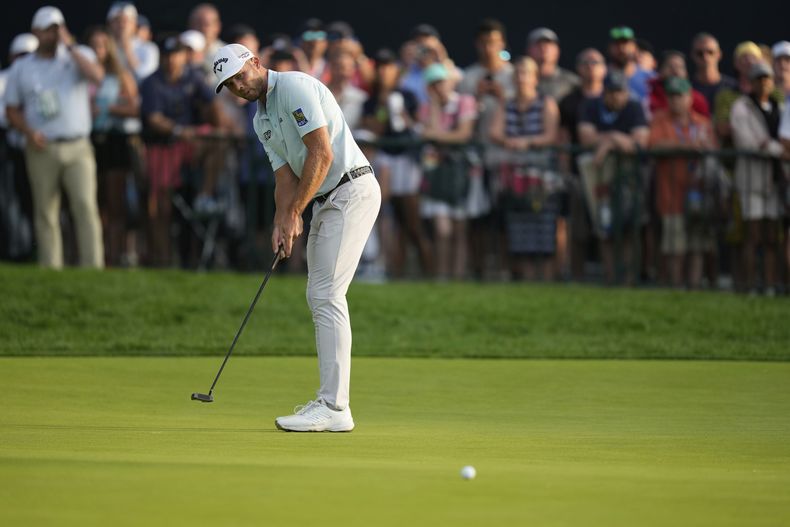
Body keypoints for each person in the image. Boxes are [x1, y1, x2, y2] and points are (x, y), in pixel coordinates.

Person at [212, 43, 381, 431]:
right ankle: (330, 401)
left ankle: (335, 408)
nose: (239, 85)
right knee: (318, 294)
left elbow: (320, 154)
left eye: (240, 75)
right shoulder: (260, 120)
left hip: (351, 189)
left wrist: (294, 212)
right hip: (325, 199)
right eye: (230, 84)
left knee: (326, 294)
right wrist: (280, 220)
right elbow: (284, 177)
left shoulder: (294, 87)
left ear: (256, 62)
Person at [5, 6, 105, 269]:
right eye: (49, 30)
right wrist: (28, 132)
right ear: (36, 32)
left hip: (78, 145)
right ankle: (51, 268)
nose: (54, 35)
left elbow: (97, 76)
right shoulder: (22, 68)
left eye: (57, 29)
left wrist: (70, 46)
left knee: (85, 207)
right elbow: (11, 109)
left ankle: (93, 267)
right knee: (46, 212)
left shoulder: (76, 55)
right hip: (41, 146)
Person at [139, 35, 218, 266]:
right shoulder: (151, 82)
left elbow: (212, 103)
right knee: (161, 207)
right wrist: (180, 130)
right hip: (160, 148)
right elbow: (154, 119)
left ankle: (204, 195)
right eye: (167, 55)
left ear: (184, 56)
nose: (172, 59)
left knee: (216, 142)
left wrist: (217, 126)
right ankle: (163, 259)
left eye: (176, 54)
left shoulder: (194, 77)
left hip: (187, 146)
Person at [361, 48, 432, 277]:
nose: (384, 72)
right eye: (380, 67)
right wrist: (384, 106)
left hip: (406, 159)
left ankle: (431, 272)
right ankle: (391, 270)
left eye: (388, 66)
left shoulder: (408, 96)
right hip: (384, 160)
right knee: (385, 215)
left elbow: (416, 127)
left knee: (411, 221)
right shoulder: (371, 101)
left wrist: (399, 110)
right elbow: (373, 130)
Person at [489, 56, 560, 280]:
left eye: (526, 73)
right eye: (518, 73)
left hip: (542, 178)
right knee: (518, 228)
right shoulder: (506, 104)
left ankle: (547, 280)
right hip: (514, 177)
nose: (522, 78)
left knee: (544, 228)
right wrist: (507, 142)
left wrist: (526, 142)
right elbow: (494, 132)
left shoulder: (546, 103)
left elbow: (551, 135)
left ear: (535, 78)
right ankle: (526, 279)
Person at [577, 71, 650, 284]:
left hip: (628, 178)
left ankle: (628, 278)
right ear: (604, 93)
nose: (617, 97)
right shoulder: (590, 105)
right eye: (612, 92)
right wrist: (617, 140)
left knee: (629, 226)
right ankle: (610, 278)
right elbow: (586, 138)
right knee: (604, 225)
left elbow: (639, 143)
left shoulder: (634, 107)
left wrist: (609, 141)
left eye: (621, 92)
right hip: (600, 178)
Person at [649, 77, 717, 288]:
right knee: (674, 248)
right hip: (671, 197)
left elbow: (713, 148)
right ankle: (675, 288)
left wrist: (702, 147)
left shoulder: (702, 123)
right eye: (671, 96)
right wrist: (686, 145)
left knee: (697, 246)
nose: (675, 100)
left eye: (680, 96)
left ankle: (694, 289)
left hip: (699, 195)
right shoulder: (660, 120)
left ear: (689, 98)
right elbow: (655, 146)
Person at [419, 63, 479, 280]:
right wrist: (435, 106)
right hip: (437, 176)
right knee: (442, 230)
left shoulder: (465, 102)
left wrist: (437, 136)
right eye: (433, 84)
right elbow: (430, 133)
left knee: (460, 229)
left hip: (462, 175)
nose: (438, 88)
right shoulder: (427, 107)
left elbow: (463, 134)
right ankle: (442, 277)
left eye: (441, 82)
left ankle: (458, 276)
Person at [86, 26, 140, 267]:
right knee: (94, 203)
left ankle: (117, 254)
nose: (97, 51)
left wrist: (108, 109)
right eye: (93, 46)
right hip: (89, 140)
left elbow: (134, 108)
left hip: (115, 140)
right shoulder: (81, 74)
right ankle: (96, 255)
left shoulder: (120, 76)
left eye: (101, 46)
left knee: (114, 202)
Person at [730, 62, 785, 295]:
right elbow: (749, 142)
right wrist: (778, 149)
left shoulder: (780, 107)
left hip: (774, 180)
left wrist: (774, 148)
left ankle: (771, 285)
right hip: (751, 179)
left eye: (767, 78)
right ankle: (751, 285)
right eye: (759, 79)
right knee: (752, 236)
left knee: (771, 236)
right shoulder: (741, 107)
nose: (763, 83)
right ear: (750, 83)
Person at [558, 48, 607, 279]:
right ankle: (576, 278)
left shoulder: (612, 96)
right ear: (578, 69)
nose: (590, 67)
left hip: (610, 173)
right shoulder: (569, 101)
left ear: (604, 68)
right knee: (577, 230)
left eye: (595, 62)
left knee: (610, 228)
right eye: (585, 63)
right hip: (579, 172)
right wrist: (566, 170)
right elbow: (564, 137)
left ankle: (613, 279)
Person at [0, 33, 38, 262]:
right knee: (10, 200)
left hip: (36, 143)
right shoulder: (3, 78)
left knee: (35, 199)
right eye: (20, 55)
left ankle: (32, 247)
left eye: (29, 55)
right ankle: (17, 248)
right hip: (7, 146)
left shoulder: (42, 78)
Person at [106, 2, 159, 82]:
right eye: (117, 20)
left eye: (126, 21)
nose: (122, 25)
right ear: (109, 24)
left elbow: (145, 78)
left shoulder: (149, 48)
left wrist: (127, 48)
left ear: (134, 24)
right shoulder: (103, 48)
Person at [648, 51, 709, 117]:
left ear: (686, 72)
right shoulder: (648, 93)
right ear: (660, 70)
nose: (675, 71)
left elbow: (705, 122)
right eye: (670, 66)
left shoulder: (697, 99)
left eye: (680, 67)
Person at [527, 27, 579, 102]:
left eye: (548, 45)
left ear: (557, 51)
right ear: (528, 50)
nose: (543, 48)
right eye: (538, 45)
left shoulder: (572, 83)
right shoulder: (517, 80)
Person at [607, 26, 654, 109]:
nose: (621, 48)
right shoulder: (601, 78)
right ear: (610, 48)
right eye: (617, 44)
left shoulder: (651, 79)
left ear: (634, 48)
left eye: (625, 43)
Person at [690, 33, 737, 111]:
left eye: (710, 52)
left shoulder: (733, 87)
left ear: (719, 54)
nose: (705, 57)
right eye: (699, 53)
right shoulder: (687, 89)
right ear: (692, 55)